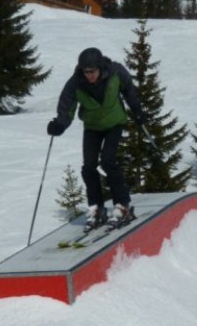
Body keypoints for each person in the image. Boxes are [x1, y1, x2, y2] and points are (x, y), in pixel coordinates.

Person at [47, 46, 147, 233]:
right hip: (92, 126)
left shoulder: (116, 72)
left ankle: (122, 205)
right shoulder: (75, 83)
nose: (89, 75)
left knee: (108, 161)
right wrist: (60, 124)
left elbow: (129, 90)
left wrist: (138, 111)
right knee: (88, 167)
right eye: (86, 72)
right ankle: (97, 208)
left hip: (114, 123)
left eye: (92, 71)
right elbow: (67, 105)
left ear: (100, 67)